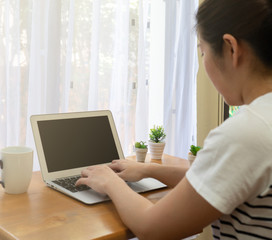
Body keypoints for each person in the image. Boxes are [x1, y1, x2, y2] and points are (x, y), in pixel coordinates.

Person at [76, 0, 272, 239]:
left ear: (231, 48)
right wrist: (147, 169)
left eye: (203, 52)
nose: (204, 63)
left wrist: (109, 182)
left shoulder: (246, 134)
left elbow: (151, 228)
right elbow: (218, 178)